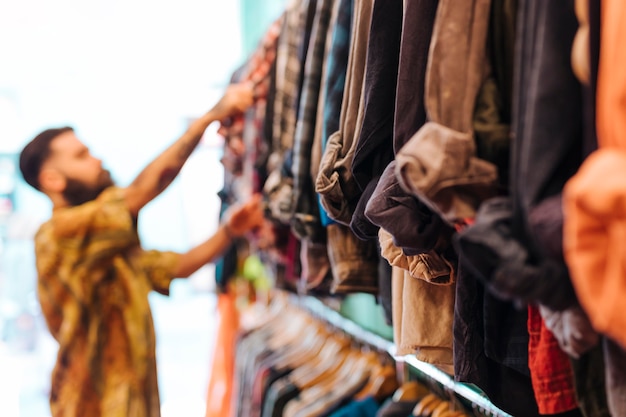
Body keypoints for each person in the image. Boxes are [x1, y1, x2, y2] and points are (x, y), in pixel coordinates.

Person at [18, 82, 265, 417]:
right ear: (52, 180)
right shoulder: (58, 236)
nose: (98, 159)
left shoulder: (105, 249)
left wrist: (229, 231)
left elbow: (176, 267)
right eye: (81, 156)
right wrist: (209, 118)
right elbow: (139, 194)